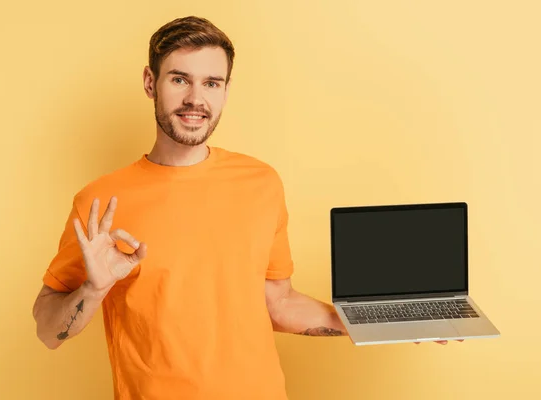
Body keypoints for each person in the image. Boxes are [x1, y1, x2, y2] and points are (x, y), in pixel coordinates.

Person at [32, 15, 455, 400]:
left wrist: (382, 322)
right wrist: (94, 289)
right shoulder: (101, 202)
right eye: (180, 80)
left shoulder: (261, 183)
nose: (196, 99)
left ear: (226, 90)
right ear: (149, 82)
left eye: (212, 83)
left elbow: (279, 303)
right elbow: (49, 332)